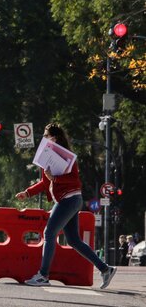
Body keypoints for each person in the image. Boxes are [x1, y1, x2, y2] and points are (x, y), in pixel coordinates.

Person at [15, 123, 116, 289]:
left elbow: (74, 180)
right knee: (74, 240)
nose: (44, 138)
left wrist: (55, 178)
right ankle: (105, 269)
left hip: (69, 200)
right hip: (69, 201)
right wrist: (27, 192)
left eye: (47, 135)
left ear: (54, 138)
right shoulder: (48, 156)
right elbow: (44, 182)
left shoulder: (66, 157)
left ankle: (43, 275)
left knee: (49, 233)